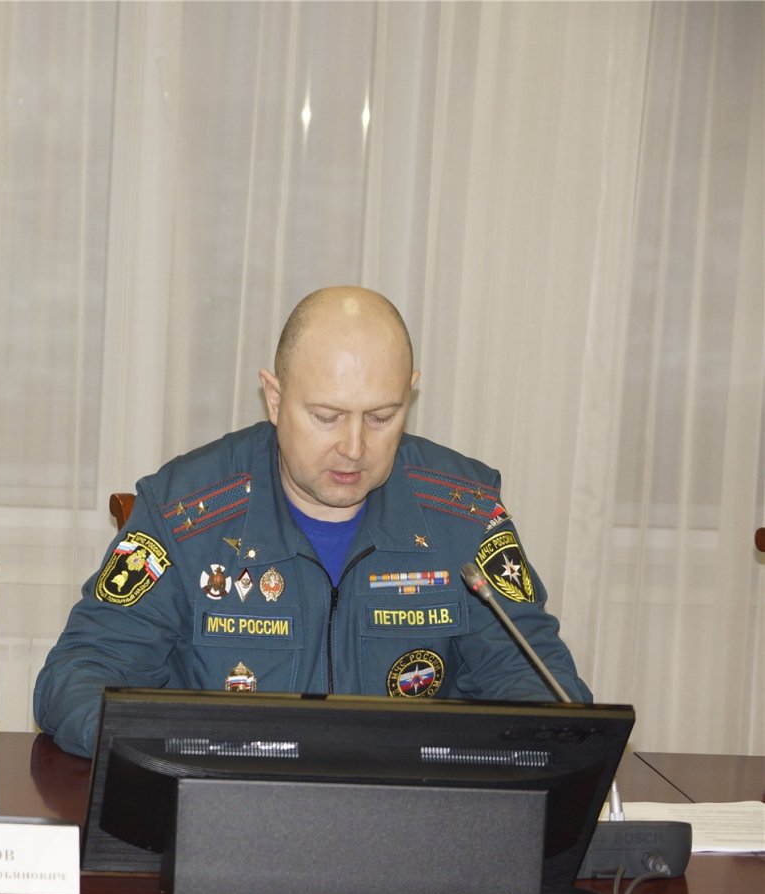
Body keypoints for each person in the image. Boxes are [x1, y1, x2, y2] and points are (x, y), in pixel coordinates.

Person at [34, 286, 591, 757]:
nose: (354, 447)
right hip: (228, 811)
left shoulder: (463, 514)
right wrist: (189, 754)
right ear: (274, 399)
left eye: (381, 417)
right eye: (327, 417)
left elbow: (542, 686)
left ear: (410, 394)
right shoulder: (187, 512)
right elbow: (79, 676)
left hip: (407, 818)